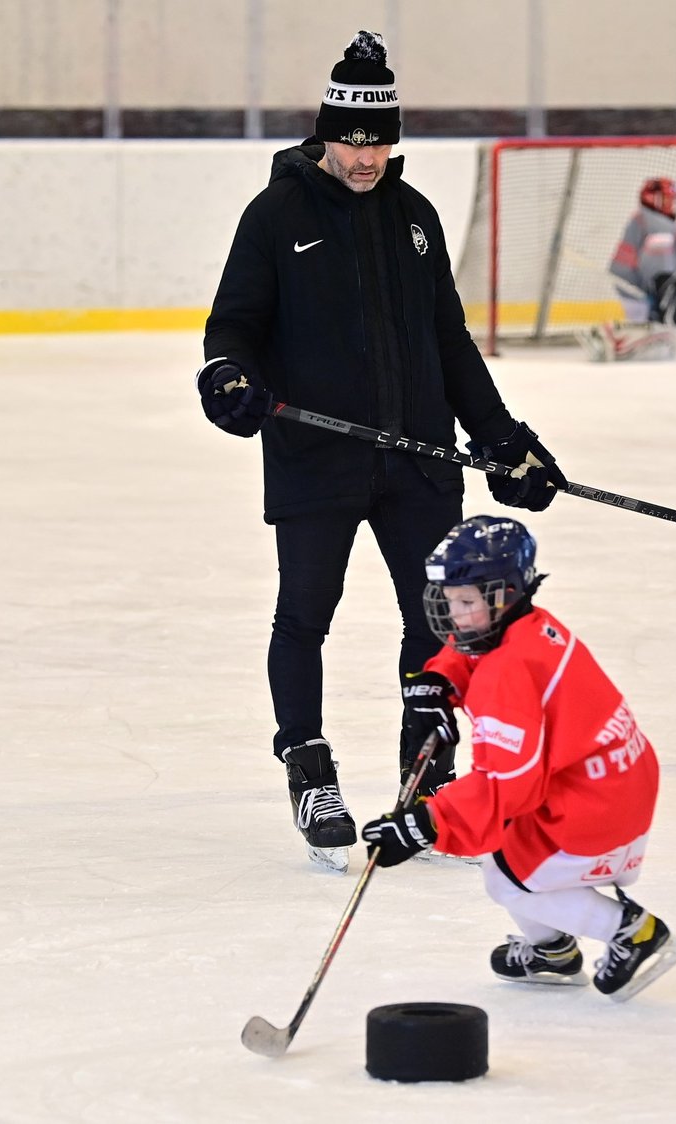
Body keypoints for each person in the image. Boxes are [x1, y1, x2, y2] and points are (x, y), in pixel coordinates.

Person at [196, 31, 567, 873]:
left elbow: (450, 342)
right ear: (326, 132)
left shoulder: (416, 219)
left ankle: (425, 769)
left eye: (380, 140)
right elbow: (235, 327)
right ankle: (308, 763)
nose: (367, 157)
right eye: (354, 139)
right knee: (306, 612)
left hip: (419, 461)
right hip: (316, 457)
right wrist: (227, 377)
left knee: (437, 623)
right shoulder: (276, 216)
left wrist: (501, 438)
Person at [361, 515, 676, 1001]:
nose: (454, 615)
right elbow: (472, 649)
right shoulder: (529, 627)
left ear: (504, 594)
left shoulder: (505, 674)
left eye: (466, 602)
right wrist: (443, 679)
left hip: (595, 802)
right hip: (609, 777)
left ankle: (634, 932)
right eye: (450, 600)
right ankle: (552, 951)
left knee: (507, 880)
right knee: (507, 857)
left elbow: (506, 788)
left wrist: (425, 823)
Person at [575, 177, 676, 362]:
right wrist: (664, 301)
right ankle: (608, 338)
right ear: (655, 200)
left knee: (661, 335)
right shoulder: (658, 225)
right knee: (660, 335)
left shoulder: (646, 219)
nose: (672, 206)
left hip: (630, 284)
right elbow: (660, 269)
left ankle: (612, 337)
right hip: (638, 290)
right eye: (668, 201)